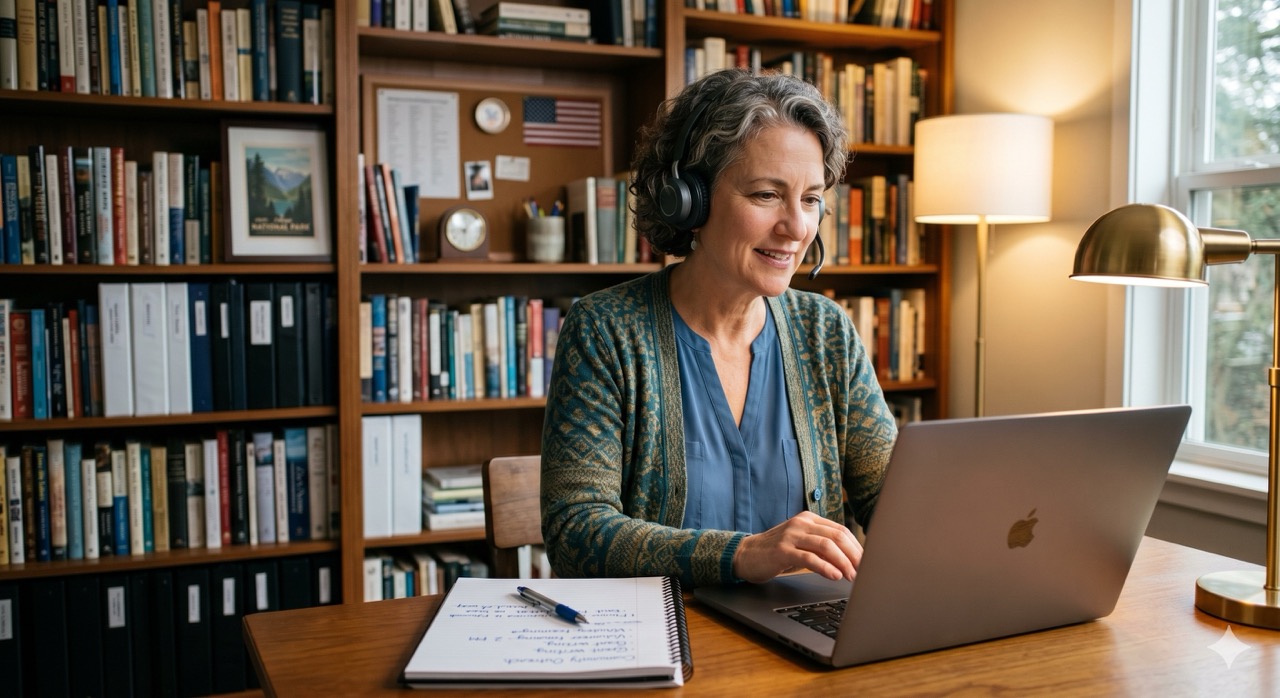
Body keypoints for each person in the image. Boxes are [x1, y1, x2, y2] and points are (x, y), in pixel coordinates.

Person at [540, 68, 898, 588]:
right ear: (690, 199)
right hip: (666, 641)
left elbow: (893, 495)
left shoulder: (826, 332)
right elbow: (576, 533)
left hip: (808, 633)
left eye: (811, 199)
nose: (796, 228)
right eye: (766, 195)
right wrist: (742, 554)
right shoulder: (605, 330)